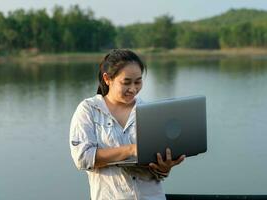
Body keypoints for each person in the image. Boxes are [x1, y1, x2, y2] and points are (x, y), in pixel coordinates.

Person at [69, 49, 186, 200]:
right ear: (107, 79)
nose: (133, 89)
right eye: (126, 82)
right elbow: (83, 158)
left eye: (138, 82)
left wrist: (164, 168)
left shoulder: (149, 111)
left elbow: (157, 173)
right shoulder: (89, 110)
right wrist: (130, 150)